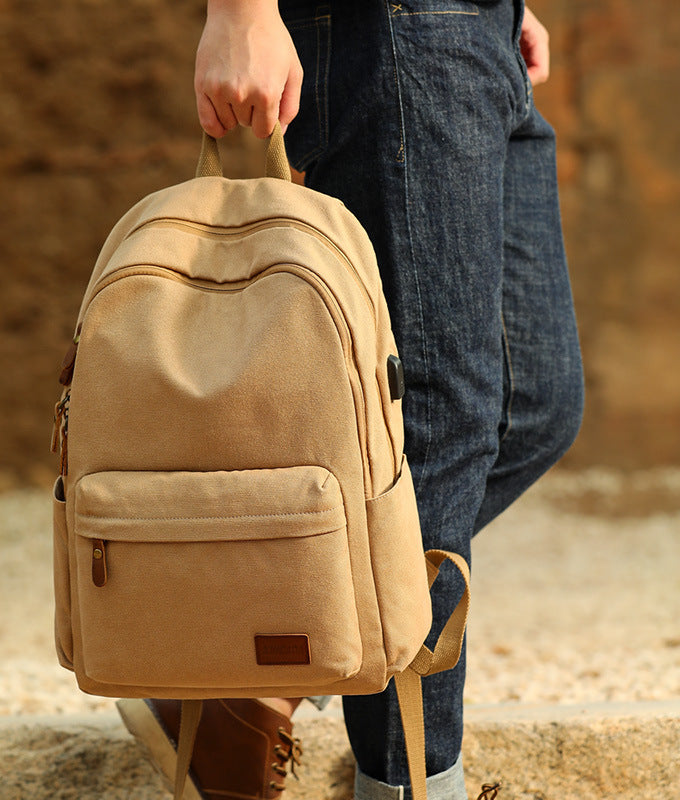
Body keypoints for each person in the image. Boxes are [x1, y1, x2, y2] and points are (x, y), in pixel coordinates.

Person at [118, 1, 584, 798]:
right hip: (400, 26)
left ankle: (250, 680)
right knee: (435, 431)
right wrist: (240, 11)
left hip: (482, 29)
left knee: (531, 405)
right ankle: (409, 784)